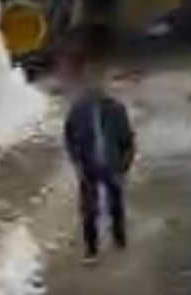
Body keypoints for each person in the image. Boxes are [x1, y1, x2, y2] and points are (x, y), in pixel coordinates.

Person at [63, 63, 136, 264]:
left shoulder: (116, 109)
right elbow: (69, 136)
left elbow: (127, 139)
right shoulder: (78, 110)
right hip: (88, 166)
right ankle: (91, 248)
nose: (95, 88)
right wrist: (76, 160)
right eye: (91, 84)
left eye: (99, 84)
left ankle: (119, 236)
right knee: (89, 209)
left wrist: (124, 165)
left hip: (112, 164)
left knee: (115, 204)